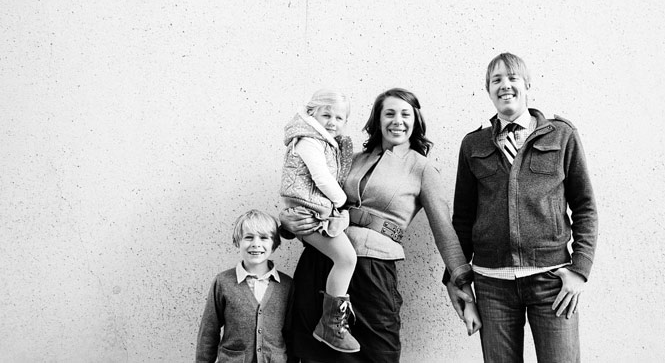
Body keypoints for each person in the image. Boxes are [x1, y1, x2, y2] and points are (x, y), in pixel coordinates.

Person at [282, 88, 480, 363]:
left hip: (373, 272)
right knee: (312, 354)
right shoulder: (349, 158)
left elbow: (445, 231)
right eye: (389, 113)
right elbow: (310, 194)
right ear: (377, 119)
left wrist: (461, 283)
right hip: (321, 261)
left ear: (416, 120)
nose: (397, 121)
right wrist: (287, 224)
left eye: (405, 114)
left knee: (379, 353)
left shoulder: (422, 169)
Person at [445, 52, 598, 363]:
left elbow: (585, 207)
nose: (505, 85)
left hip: (551, 282)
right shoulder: (473, 144)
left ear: (527, 85)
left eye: (512, 78)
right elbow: (462, 219)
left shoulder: (561, 135)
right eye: (496, 80)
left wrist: (580, 271)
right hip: (492, 285)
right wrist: (455, 279)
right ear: (488, 90)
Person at [280, 90, 359, 353]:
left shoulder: (325, 142)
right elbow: (322, 178)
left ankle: (331, 323)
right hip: (308, 212)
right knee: (346, 259)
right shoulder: (309, 140)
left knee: (344, 259)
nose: (332, 122)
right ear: (311, 113)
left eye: (339, 118)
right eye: (327, 115)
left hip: (315, 209)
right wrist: (341, 202)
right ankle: (330, 325)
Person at [196, 209, 293, 363]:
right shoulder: (223, 282)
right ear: (237, 242)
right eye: (248, 237)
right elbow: (208, 332)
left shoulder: (287, 285)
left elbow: (292, 334)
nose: (256, 244)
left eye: (264, 238)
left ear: (274, 244)